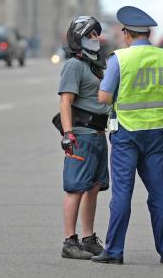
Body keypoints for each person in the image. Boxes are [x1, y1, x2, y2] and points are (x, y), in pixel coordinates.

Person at [91, 6, 163, 265]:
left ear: (127, 33)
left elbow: (104, 97)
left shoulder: (119, 59)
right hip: (157, 133)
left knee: (122, 192)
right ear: (149, 33)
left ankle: (114, 251)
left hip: (127, 132)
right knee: (160, 193)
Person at [58, 15, 111, 260]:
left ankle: (89, 239)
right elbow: (65, 101)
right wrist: (68, 134)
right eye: (90, 34)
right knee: (76, 188)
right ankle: (70, 241)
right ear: (78, 38)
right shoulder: (74, 65)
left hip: (99, 135)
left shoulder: (94, 64)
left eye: (97, 34)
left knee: (93, 187)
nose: (95, 38)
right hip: (81, 135)